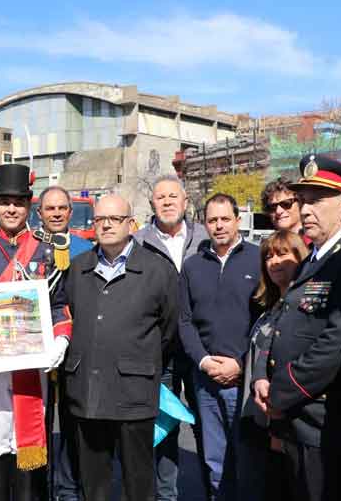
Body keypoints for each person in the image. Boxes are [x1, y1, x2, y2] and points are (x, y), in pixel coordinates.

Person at [254, 155, 341, 501]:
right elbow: (280, 322)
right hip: (294, 416)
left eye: (317, 200)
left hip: (319, 418)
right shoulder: (316, 256)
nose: (305, 210)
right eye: (303, 200)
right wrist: (263, 375)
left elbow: (333, 342)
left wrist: (281, 392)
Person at [0, 163, 72, 501]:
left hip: (34, 362)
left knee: (29, 439)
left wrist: (61, 341)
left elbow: (59, 305)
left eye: (18, 202)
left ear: (29, 206)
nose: (11, 209)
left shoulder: (49, 247)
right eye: (4, 202)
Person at [61, 193, 178, 500]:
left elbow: (168, 328)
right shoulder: (77, 268)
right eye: (100, 219)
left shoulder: (157, 269)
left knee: (138, 483)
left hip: (134, 392)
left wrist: (136, 358)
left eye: (115, 219)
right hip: (88, 390)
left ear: (131, 224)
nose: (107, 225)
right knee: (93, 482)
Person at [179, 193, 261, 501]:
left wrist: (242, 365)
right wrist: (203, 362)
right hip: (206, 381)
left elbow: (266, 320)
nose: (219, 225)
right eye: (212, 220)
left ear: (238, 220)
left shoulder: (259, 258)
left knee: (248, 460)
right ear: (204, 224)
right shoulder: (192, 267)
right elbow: (185, 322)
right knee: (215, 462)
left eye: (225, 219)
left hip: (246, 381)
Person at [133, 174, 210, 501]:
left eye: (173, 197)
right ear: (152, 204)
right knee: (163, 427)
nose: (166, 202)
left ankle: (215, 490)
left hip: (201, 351)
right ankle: (165, 495)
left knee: (208, 425)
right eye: (160, 197)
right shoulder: (136, 241)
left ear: (185, 202)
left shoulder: (206, 238)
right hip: (158, 351)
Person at [34, 185, 92, 501]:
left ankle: (69, 489)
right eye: (49, 208)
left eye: (62, 208)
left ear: (70, 212)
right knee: (37, 425)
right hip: (37, 350)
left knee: (73, 426)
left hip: (74, 350)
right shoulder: (26, 248)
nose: (56, 213)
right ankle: (39, 489)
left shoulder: (86, 249)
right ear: (39, 212)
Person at [244, 231, 309, 501]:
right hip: (260, 415)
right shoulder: (268, 306)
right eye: (268, 256)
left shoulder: (305, 306)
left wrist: (278, 417)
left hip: (288, 418)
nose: (274, 261)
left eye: (283, 253)